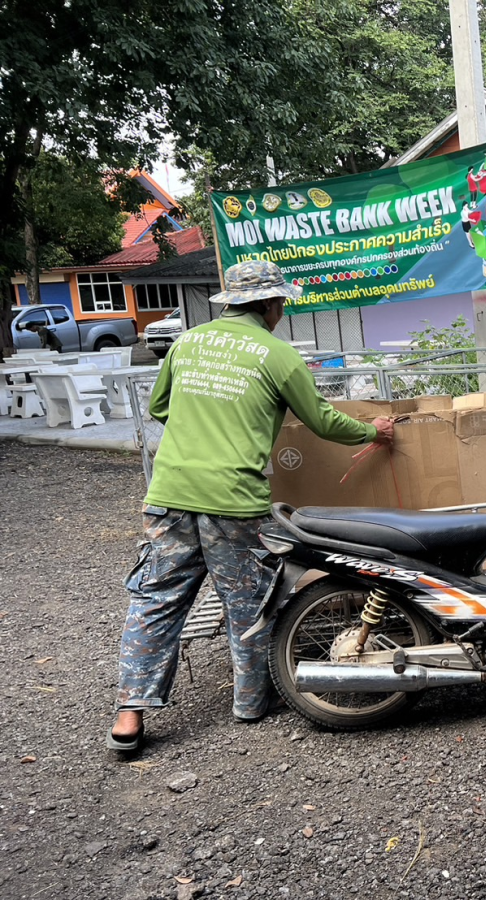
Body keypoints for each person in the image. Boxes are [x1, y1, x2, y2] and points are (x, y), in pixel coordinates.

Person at [107, 260, 395, 753]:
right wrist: (375, 432)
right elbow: (324, 421)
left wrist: (205, 421)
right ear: (267, 305)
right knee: (248, 602)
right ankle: (250, 702)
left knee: (155, 601)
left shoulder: (186, 343)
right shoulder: (276, 355)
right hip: (232, 502)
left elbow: (159, 407)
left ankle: (129, 715)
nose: (281, 310)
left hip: (169, 496)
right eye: (281, 302)